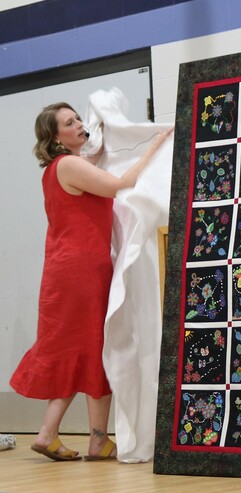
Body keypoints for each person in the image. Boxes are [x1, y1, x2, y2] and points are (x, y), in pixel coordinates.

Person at [10, 102, 173, 461]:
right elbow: (120, 184)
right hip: (81, 271)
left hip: (69, 270)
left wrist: (104, 135)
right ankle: (74, 435)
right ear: (55, 138)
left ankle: (67, 435)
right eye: (70, 123)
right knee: (96, 346)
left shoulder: (63, 168)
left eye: (78, 118)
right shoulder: (67, 165)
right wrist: (154, 146)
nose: (80, 125)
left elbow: (99, 168)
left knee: (86, 349)